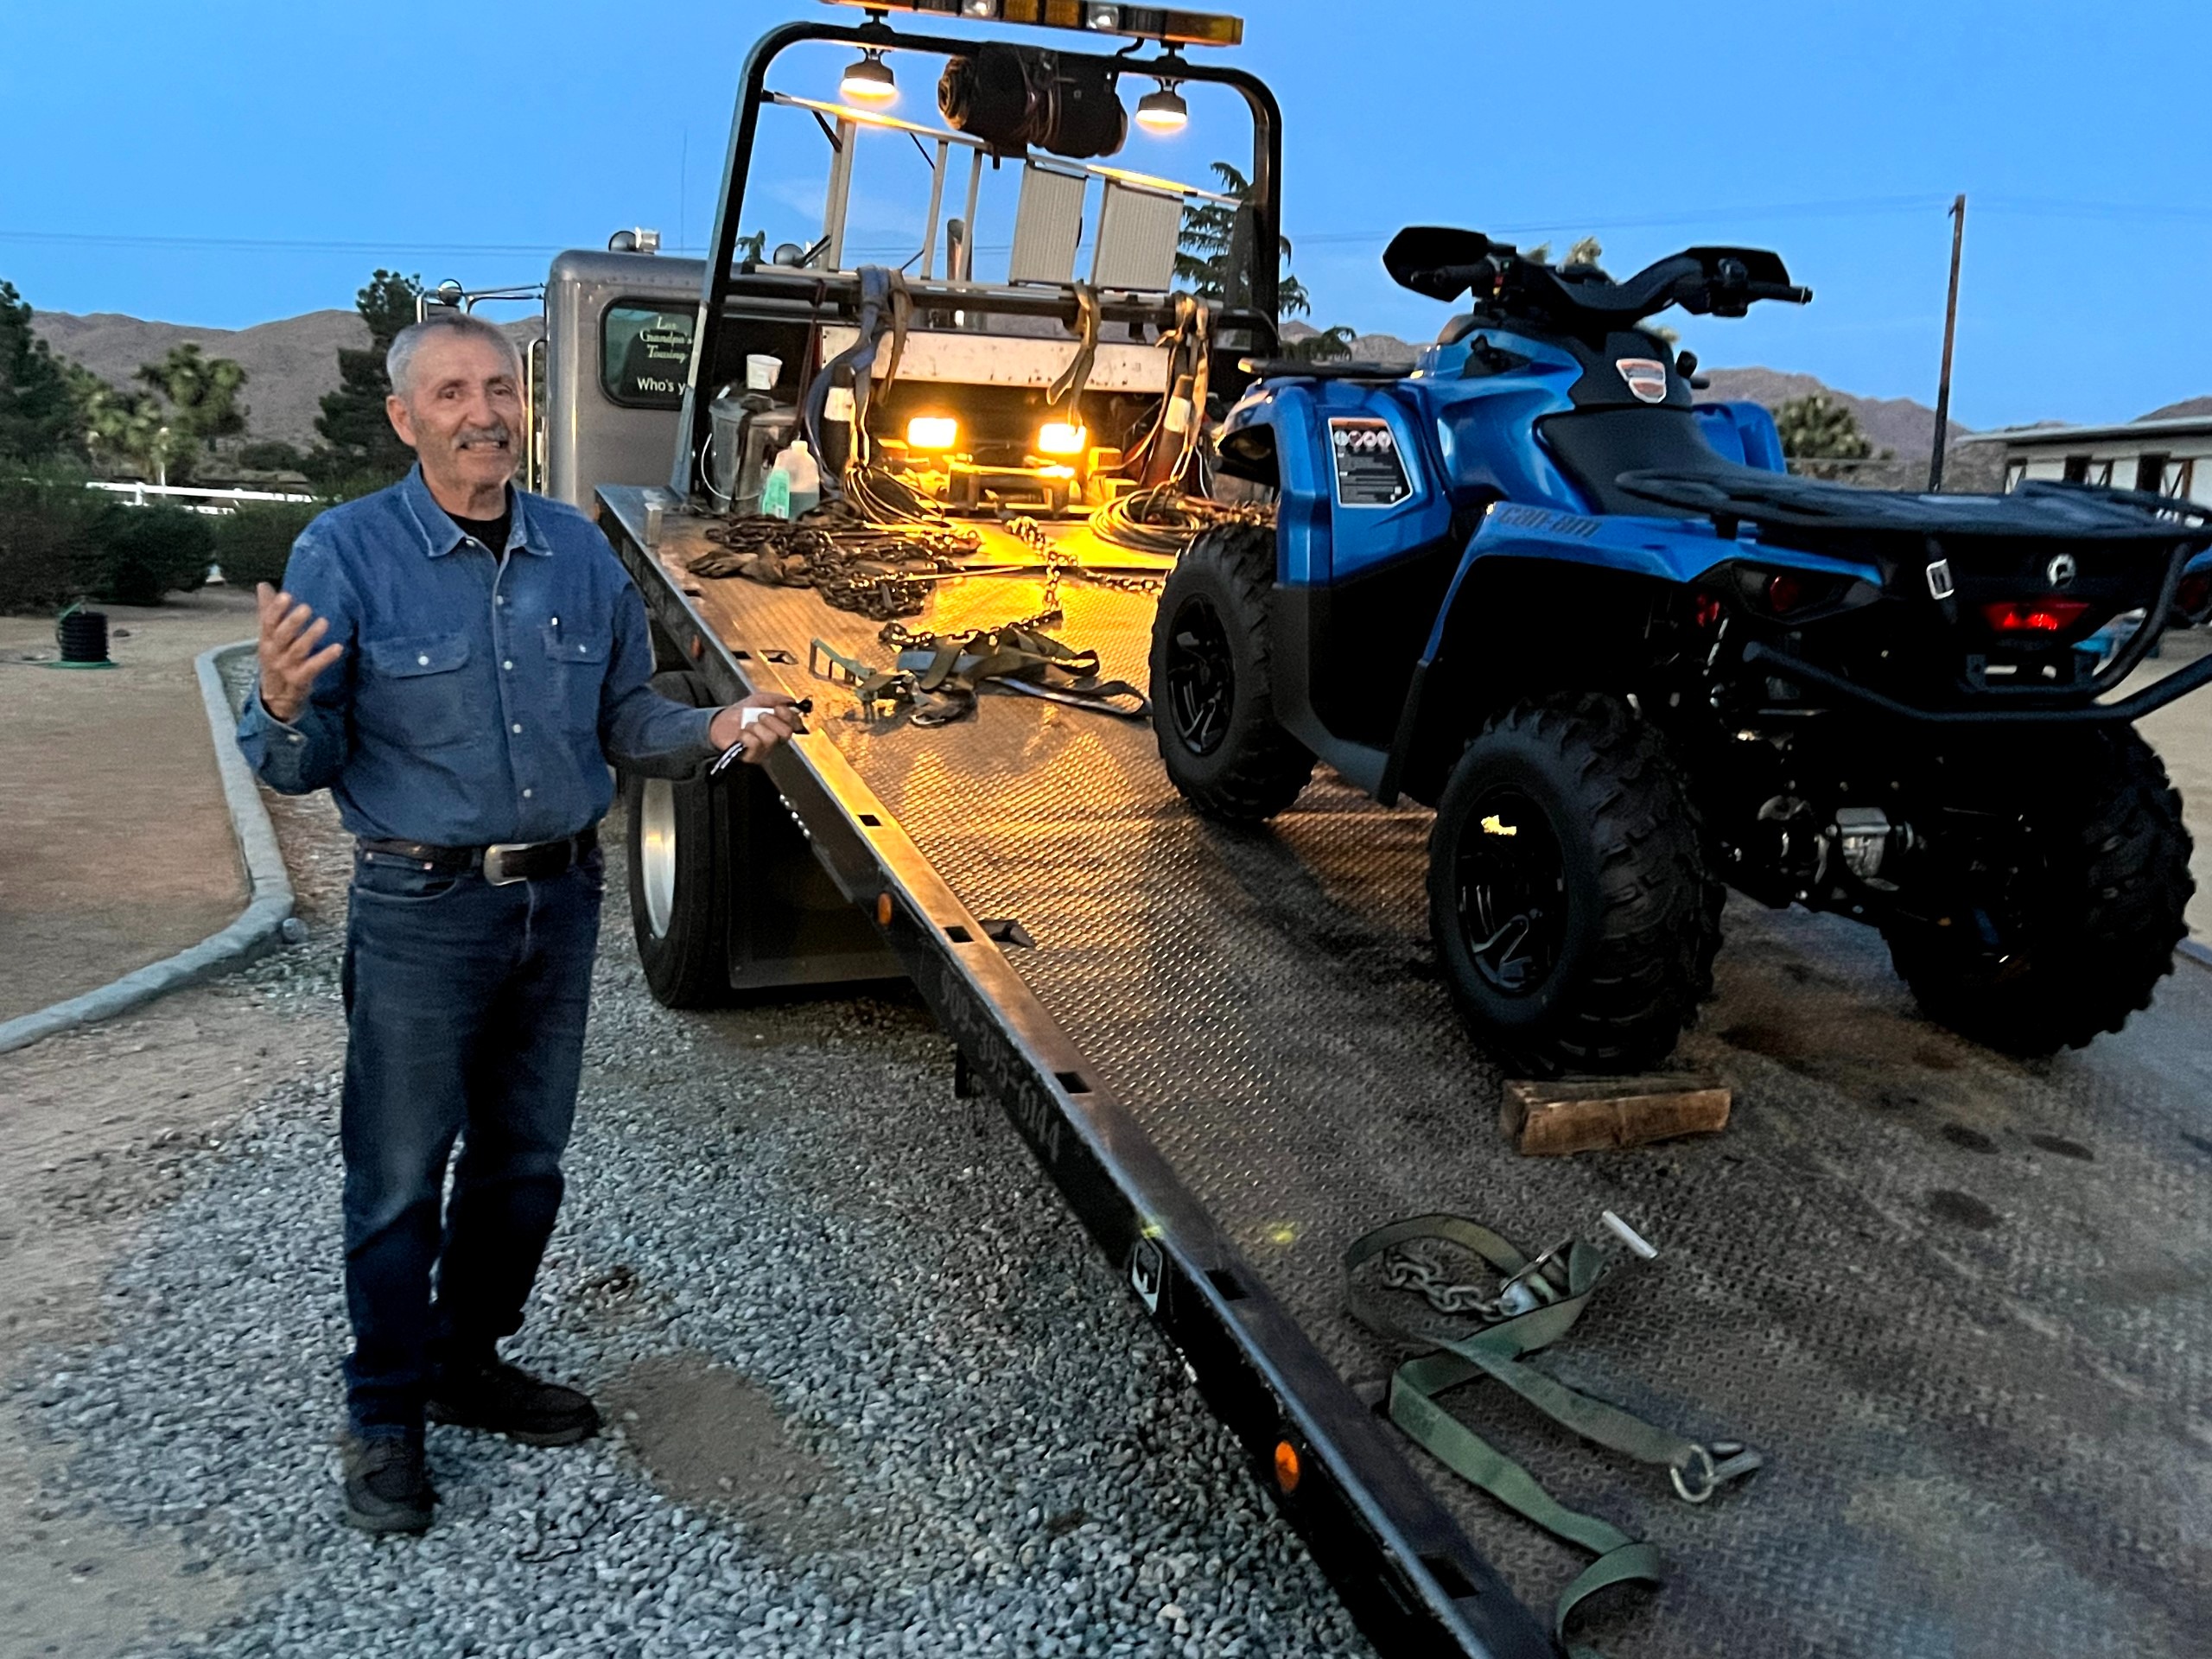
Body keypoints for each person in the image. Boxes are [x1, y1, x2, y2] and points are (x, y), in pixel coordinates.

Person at [235, 309, 797, 1535]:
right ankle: (384, 1410)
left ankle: (466, 1359)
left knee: (523, 1165)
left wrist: (712, 728)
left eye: (498, 387)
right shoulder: (348, 552)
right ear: (405, 418)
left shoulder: (577, 552)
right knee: (398, 1175)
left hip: (561, 898)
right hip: (421, 907)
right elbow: (299, 763)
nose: (481, 412)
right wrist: (279, 702)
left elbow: (624, 718)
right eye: (449, 393)